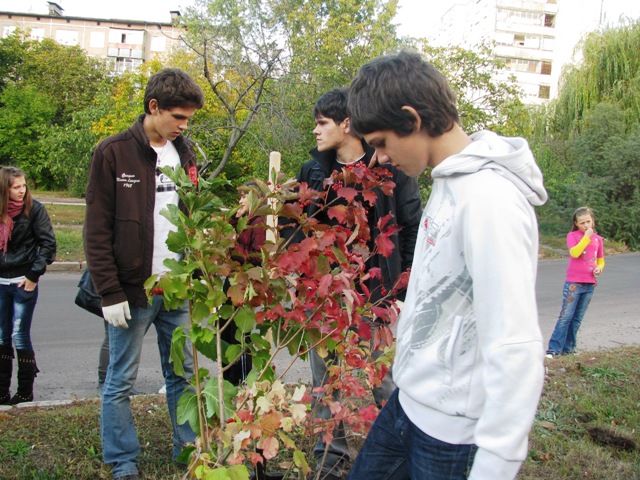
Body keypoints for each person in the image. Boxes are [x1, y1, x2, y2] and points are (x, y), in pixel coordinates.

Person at [345, 51, 548, 480]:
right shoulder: (449, 181)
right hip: (408, 405)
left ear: (411, 119)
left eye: (381, 142)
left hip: (453, 438)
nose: (378, 158)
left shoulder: (491, 200)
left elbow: (515, 346)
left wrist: (496, 464)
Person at [291, 88, 422, 480]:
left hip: (376, 298)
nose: (315, 131)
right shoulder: (312, 172)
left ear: (347, 124)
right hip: (324, 300)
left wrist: (403, 291)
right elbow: (296, 232)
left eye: (322, 123)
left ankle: (409, 453)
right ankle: (330, 460)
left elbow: (412, 230)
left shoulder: (391, 169)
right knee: (323, 381)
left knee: (383, 381)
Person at [84, 68, 205, 480]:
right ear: (153, 107)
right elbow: (96, 230)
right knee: (121, 378)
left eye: (187, 120)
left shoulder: (184, 154)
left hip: (176, 288)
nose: (183, 127)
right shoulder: (113, 152)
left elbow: (188, 218)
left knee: (183, 374)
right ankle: (122, 460)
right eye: (179, 117)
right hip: (133, 292)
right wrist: (110, 292)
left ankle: (188, 449)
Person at [0, 166, 56, 405]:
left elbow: (48, 245)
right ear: (5, 189)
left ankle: (25, 392)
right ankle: (2, 392)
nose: (22, 191)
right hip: (1, 282)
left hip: (24, 281)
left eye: (24, 186)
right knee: (2, 337)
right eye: (16, 187)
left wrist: (34, 275)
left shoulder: (34, 210)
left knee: (19, 335)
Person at [546, 207, 604, 358]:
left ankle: (569, 349)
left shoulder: (598, 239)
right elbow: (575, 253)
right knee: (566, 316)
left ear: (593, 221)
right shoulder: (573, 236)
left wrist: (599, 268)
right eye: (582, 222)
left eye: (588, 222)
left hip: (589, 283)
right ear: (576, 223)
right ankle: (553, 349)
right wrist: (586, 237)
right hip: (574, 283)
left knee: (577, 318)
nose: (586, 225)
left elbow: (601, 259)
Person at [224, 182, 267, 385]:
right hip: (230, 281)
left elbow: (257, 257)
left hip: (244, 284)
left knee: (240, 335)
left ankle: (241, 380)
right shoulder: (240, 220)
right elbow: (224, 236)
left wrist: (235, 247)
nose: (239, 200)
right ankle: (227, 378)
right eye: (239, 196)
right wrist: (235, 218)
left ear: (254, 198)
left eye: (243, 196)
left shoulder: (258, 222)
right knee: (225, 331)